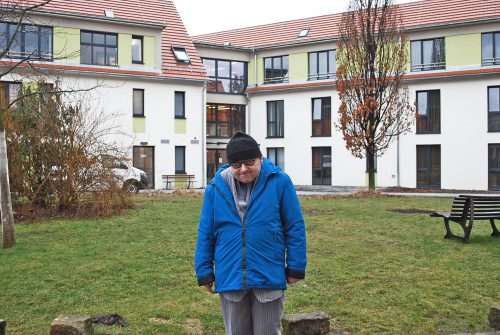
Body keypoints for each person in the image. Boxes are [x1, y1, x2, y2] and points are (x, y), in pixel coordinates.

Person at [195, 132, 307, 335]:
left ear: (260, 159)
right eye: (236, 165)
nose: (243, 169)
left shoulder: (279, 181)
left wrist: (296, 266)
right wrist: (204, 271)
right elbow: (206, 232)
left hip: (267, 272)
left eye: (249, 162)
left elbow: (294, 225)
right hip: (231, 274)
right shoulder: (215, 188)